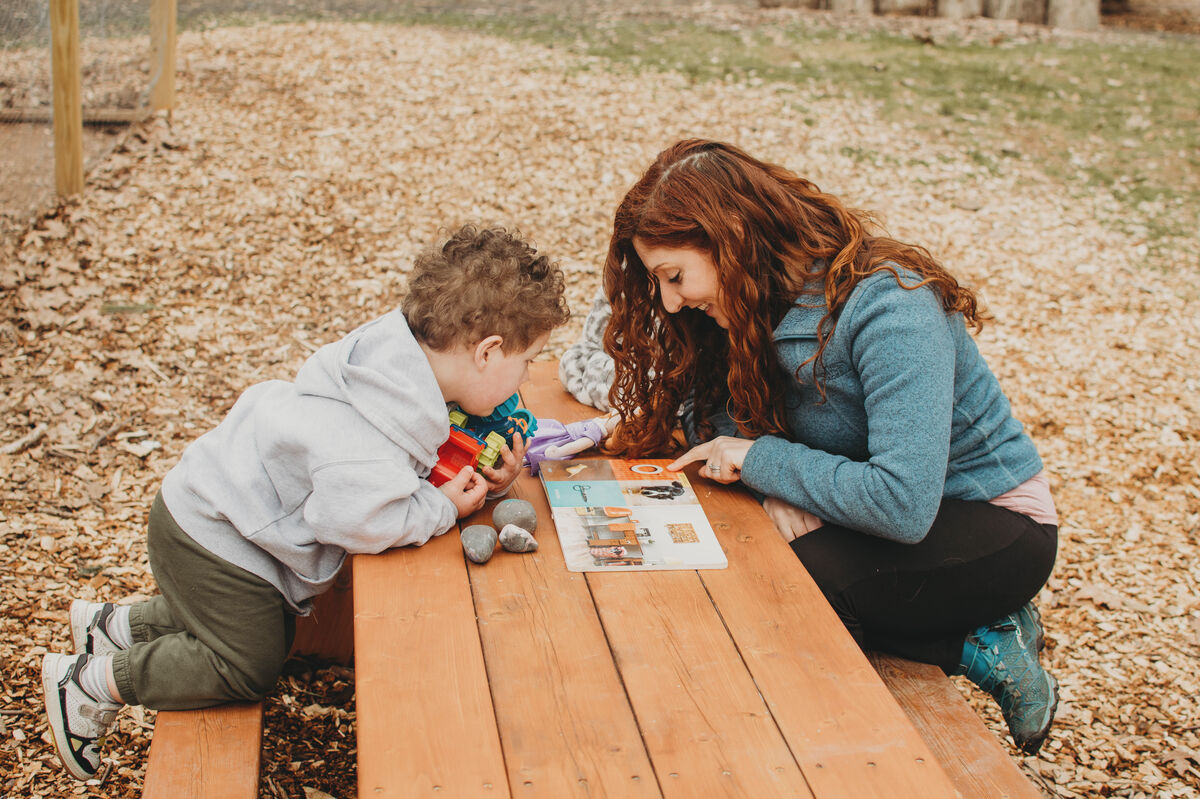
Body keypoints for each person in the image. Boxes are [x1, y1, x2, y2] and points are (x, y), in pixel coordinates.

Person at [40, 224, 570, 780]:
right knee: (248, 663)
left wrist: (494, 479)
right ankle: (92, 684)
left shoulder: (396, 369)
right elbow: (361, 523)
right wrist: (443, 510)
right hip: (217, 538)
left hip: (217, 514)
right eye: (527, 361)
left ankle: (114, 626)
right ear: (487, 352)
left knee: (254, 623)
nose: (526, 378)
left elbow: (415, 464)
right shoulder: (362, 443)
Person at [588, 139, 1060, 754]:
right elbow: (713, 423)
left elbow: (902, 503)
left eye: (675, 277)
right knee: (747, 558)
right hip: (874, 512)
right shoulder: (749, 303)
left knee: (797, 587)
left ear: (731, 238)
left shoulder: (894, 305)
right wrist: (769, 472)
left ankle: (982, 637)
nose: (673, 300)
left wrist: (764, 463)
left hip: (987, 521)